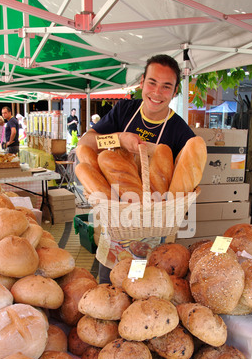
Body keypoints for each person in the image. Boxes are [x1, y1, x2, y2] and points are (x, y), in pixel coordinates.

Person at [77, 54, 196, 283]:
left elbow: (187, 183)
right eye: (152, 82)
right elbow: (86, 143)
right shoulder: (124, 111)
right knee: (109, 288)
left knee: (146, 293)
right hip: (115, 226)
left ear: (175, 91)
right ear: (142, 82)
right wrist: (118, 139)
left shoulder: (180, 132)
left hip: (155, 233)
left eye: (166, 86)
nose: (157, 92)